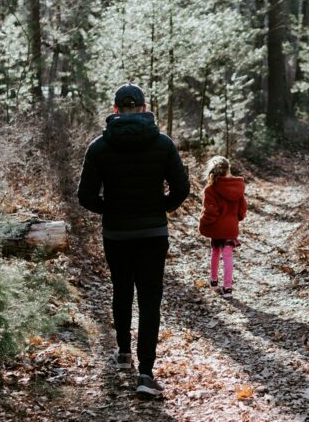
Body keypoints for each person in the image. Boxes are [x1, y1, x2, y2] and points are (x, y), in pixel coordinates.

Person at [77, 83, 189, 396]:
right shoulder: (163, 144)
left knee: (122, 289)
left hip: (116, 233)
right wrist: (159, 209)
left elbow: (85, 195)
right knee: (150, 299)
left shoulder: (99, 146)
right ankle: (146, 373)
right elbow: (181, 188)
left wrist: (110, 210)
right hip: (153, 233)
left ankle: (124, 353)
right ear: (142, 108)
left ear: (115, 110)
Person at [198, 156, 247, 299]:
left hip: (216, 228)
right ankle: (228, 289)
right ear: (228, 169)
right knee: (228, 257)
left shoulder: (211, 189)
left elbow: (210, 212)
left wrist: (203, 223)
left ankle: (213, 282)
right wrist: (236, 219)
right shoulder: (238, 187)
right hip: (231, 228)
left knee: (215, 253)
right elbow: (242, 209)